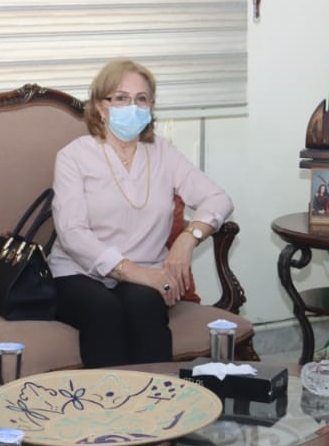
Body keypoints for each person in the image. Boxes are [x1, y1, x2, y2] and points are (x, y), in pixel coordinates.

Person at [48, 58, 234, 367]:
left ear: (151, 107)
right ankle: (107, 397)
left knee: (145, 307)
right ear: (101, 107)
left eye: (141, 99)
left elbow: (218, 198)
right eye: (121, 98)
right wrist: (137, 273)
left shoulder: (162, 152)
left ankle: (158, 395)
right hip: (79, 273)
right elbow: (72, 234)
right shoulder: (74, 156)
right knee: (104, 309)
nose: (132, 107)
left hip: (146, 275)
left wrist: (188, 238)